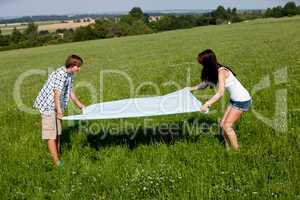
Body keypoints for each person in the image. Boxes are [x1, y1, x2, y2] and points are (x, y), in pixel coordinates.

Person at [188, 49, 252, 150]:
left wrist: (207, 104)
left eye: (202, 63)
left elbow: (221, 93)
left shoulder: (221, 72)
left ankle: (236, 150)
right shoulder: (213, 70)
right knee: (222, 125)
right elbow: (205, 84)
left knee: (227, 126)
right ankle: (228, 148)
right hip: (235, 100)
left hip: (242, 100)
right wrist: (190, 89)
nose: (201, 65)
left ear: (207, 62)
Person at [34, 54, 85, 166]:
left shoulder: (70, 74)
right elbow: (56, 94)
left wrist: (79, 104)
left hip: (57, 106)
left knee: (58, 133)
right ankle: (57, 163)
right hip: (48, 106)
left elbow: (70, 91)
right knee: (51, 135)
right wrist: (59, 110)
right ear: (72, 65)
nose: (79, 69)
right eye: (78, 66)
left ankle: (58, 155)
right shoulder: (60, 74)